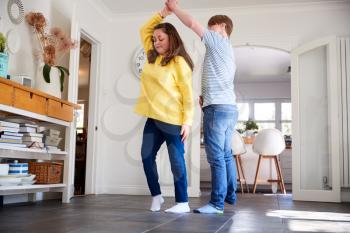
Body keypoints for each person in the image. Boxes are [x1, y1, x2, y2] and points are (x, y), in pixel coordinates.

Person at [166, 0, 238, 214]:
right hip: (227, 107)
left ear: (222, 27)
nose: (208, 30)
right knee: (225, 154)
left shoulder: (217, 41)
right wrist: (205, 96)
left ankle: (216, 204)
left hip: (217, 109)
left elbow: (191, 23)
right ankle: (229, 196)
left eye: (212, 26)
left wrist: (174, 8)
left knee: (216, 156)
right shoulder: (229, 51)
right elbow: (220, 78)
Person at [134, 6, 194, 213]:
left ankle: (182, 202)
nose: (156, 41)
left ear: (172, 39)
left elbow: (187, 94)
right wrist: (162, 13)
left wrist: (187, 121)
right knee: (146, 156)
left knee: (176, 161)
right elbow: (144, 30)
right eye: (155, 39)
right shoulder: (152, 55)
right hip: (153, 117)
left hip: (173, 119)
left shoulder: (179, 62)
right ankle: (156, 196)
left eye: (161, 38)